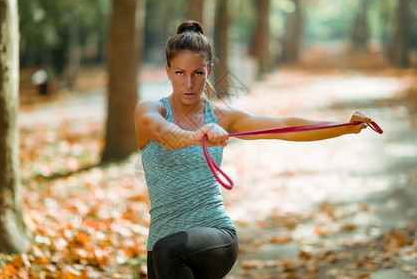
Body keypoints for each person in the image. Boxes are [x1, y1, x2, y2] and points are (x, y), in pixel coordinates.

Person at [134, 20, 373, 279]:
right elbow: (164, 134)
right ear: (167, 71)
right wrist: (196, 136)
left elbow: (285, 126)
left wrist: (345, 127)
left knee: (169, 250)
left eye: (198, 73)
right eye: (180, 73)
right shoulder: (150, 111)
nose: (189, 84)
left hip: (214, 235)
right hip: (160, 246)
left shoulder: (223, 118)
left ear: (209, 70)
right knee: (165, 250)